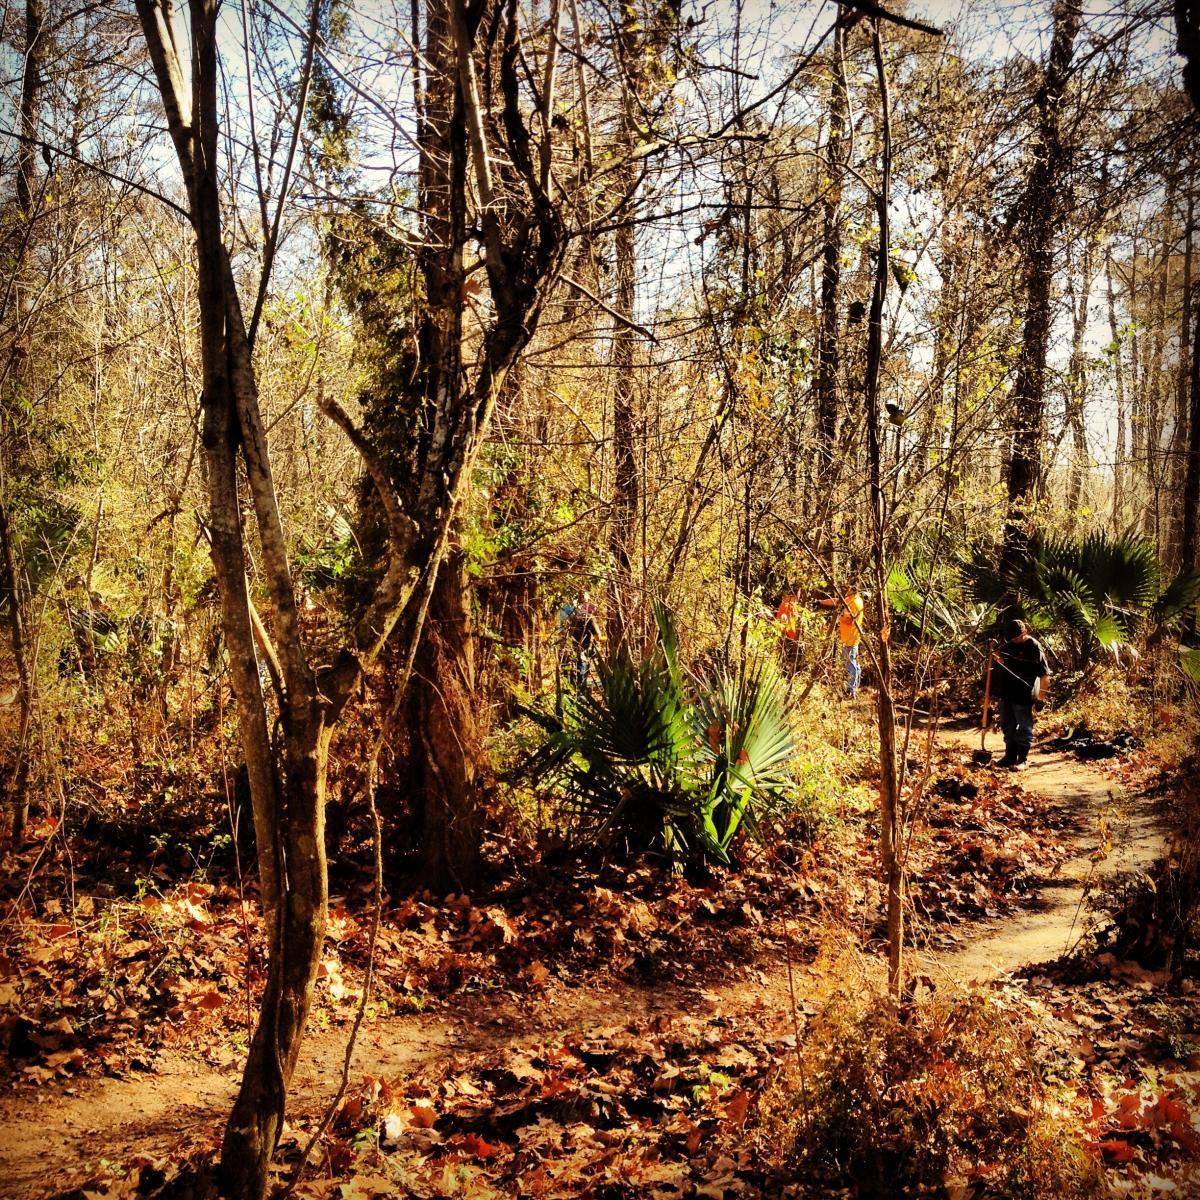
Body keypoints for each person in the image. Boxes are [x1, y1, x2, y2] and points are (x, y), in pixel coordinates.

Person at [991, 618, 1050, 770]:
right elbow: (999, 664)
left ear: (1025, 632)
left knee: (1024, 726)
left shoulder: (1034, 647)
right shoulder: (1007, 645)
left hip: (1024, 693)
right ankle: (1010, 757)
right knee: (1007, 725)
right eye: (1012, 638)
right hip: (1007, 693)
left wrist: (1041, 699)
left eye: (1017, 637)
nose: (1014, 641)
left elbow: (1044, 675)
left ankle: (1022, 759)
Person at [818, 584, 864, 698]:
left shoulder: (855, 603)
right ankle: (854, 687)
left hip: (850, 638)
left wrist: (838, 616)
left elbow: (848, 620)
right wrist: (821, 602)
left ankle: (851, 690)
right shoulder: (851, 599)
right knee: (853, 664)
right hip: (848, 637)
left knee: (850, 664)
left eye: (847, 588)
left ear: (852, 589)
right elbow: (837, 601)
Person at [558, 591, 600, 690]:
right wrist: (594, 644)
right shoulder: (589, 617)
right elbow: (598, 635)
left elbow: (561, 632)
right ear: (587, 602)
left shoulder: (567, 616)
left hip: (566, 653)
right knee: (580, 684)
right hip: (581, 654)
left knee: (568, 683)